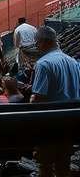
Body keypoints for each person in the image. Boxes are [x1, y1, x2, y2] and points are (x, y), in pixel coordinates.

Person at [30, 26, 80, 176]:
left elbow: (38, 99)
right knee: (64, 164)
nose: (37, 46)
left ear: (45, 42)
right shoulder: (72, 61)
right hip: (70, 123)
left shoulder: (43, 64)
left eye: (37, 42)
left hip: (50, 125)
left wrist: (32, 99)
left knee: (45, 167)